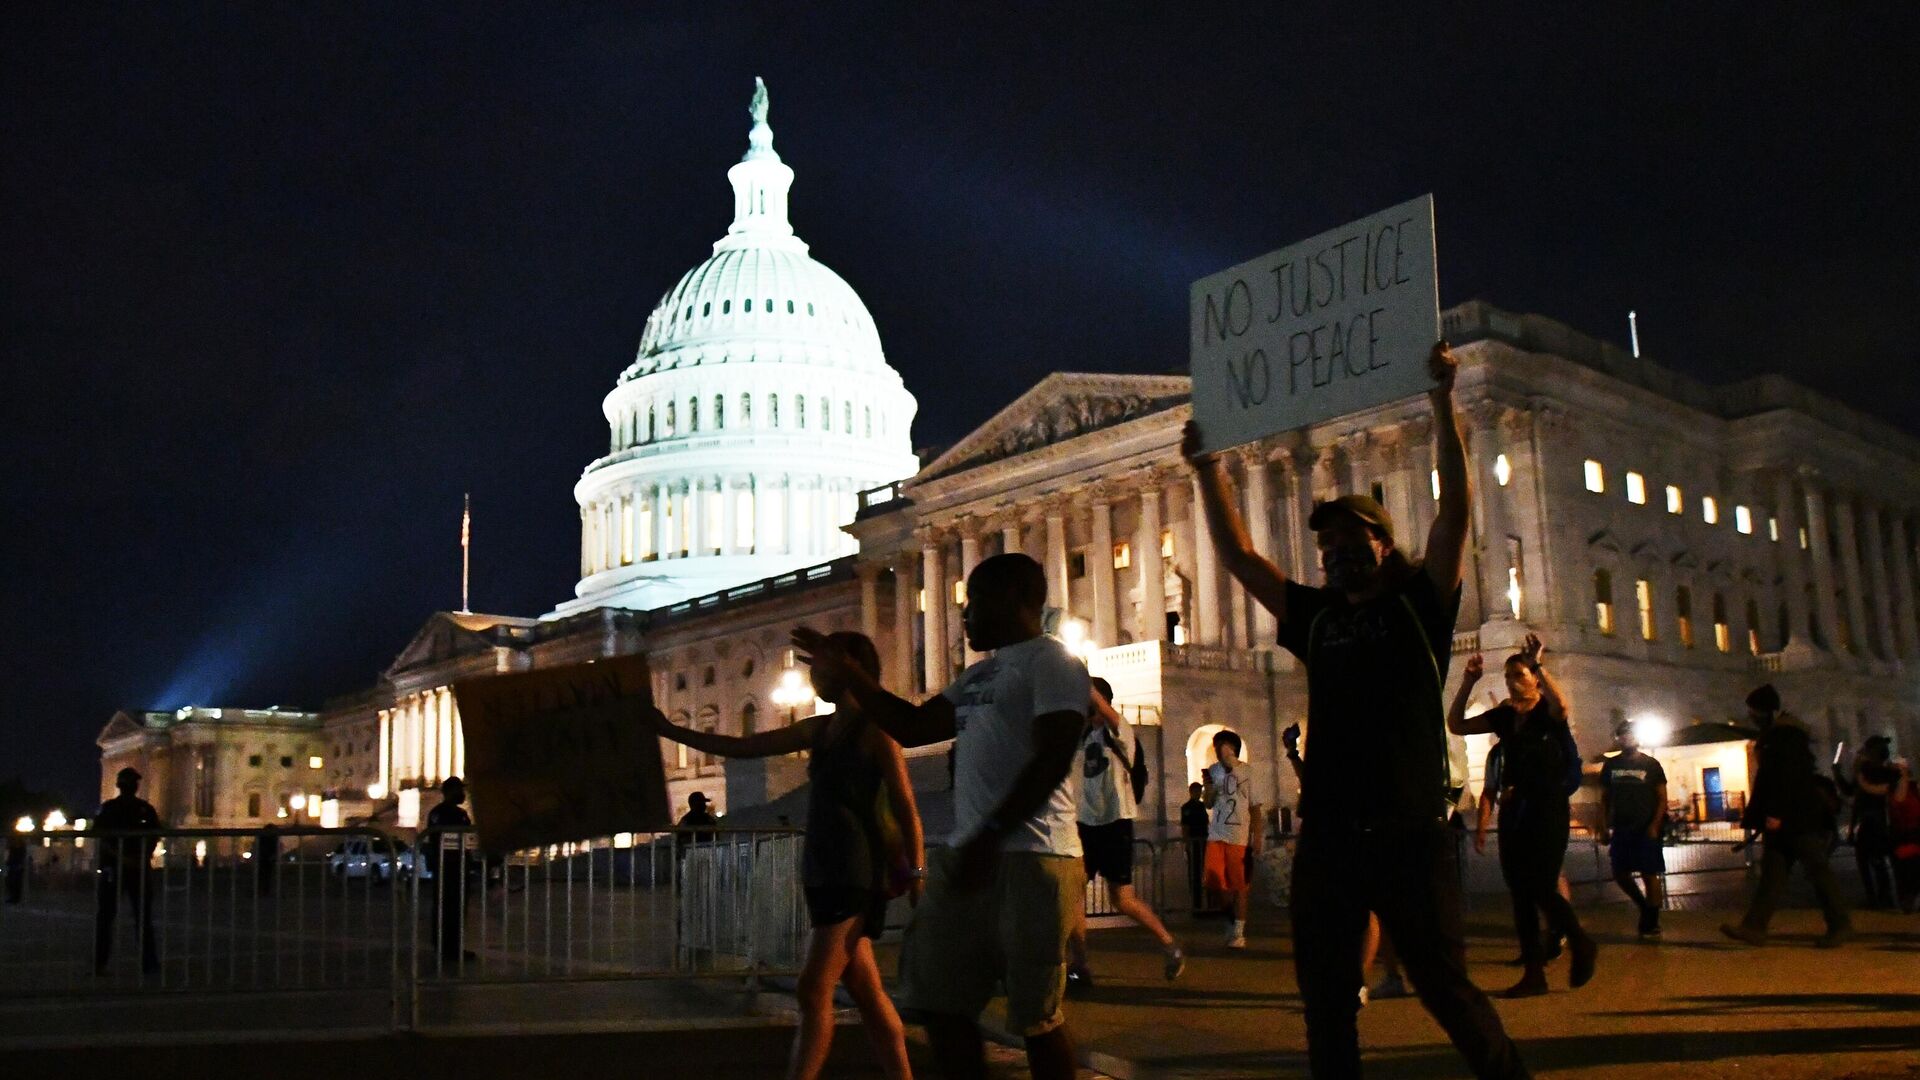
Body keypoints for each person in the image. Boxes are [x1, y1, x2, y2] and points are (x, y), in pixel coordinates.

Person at [1187, 339, 1529, 1078]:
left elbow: (1456, 515)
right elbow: (1243, 557)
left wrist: (1440, 401)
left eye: (1350, 539)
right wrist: (1206, 468)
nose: (1335, 553)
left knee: (1445, 988)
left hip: (1411, 828)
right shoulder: (1315, 618)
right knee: (1327, 999)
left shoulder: (1420, 605)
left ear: (1383, 542)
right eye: (1327, 545)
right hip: (1333, 834)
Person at [794, 552, 1087, 1080]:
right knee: (938, 1000)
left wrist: (993, 832)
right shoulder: (978, 676)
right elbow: (911, 726)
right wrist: (853, 676)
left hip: (1035, 857)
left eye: (975, 601)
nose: (965, 614)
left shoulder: (1055, 662)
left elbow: (1056, 752)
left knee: (1035, 1017)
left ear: (1017, 599)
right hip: (971, 854)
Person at [639, 631, 922, 1080]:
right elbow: (743, 747)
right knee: (866, 993)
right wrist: (670, 730)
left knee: (812, 990)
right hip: (823, 868)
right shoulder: (822, 728)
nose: (812, 675)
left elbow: (906, 803)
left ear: (847, 668)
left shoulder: (875, 730)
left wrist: (917, 871)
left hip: (854, 871)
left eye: (819, 665)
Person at [1450, 636, 1597, 998]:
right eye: (1508, 673)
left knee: (1542, 885)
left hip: (1547, 808)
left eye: (1519, 673)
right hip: (1514, 811)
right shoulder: (1504, 716)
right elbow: (1457, 725)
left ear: (1532, 678)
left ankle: (1579, 940)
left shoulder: (1547, 712)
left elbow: (1562, 704)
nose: (1513, 678)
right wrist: (1468, 681)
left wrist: (1539, 665)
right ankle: (1534, 974)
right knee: (1519, 893)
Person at [1068, 677, 1185, 989]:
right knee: (1074, 895)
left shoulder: (1120, 732)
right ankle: (1080, 965)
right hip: (1084, 825)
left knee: (1122, 899)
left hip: (1115, 822)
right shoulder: (1079, 740)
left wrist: (1080, 678)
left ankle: (1169, 943)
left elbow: (1106, 711)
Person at [1284, 723, 1407, 1006]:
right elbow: (1315, 785)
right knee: (1367, 914)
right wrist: (1293, 755)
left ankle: (1358, 982)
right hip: (1345, 835)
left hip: (1367, 833)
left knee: (1370, 914)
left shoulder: (1364, 751)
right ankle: (1386, 976)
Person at [1722, 685, 1852, 947]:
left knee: (1817, 870)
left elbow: (1784, 778)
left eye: (1754, 711)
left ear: (1765, 711)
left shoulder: (1783, 737)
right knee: (1774, 872)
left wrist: (1776, 813)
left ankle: (1840, 924)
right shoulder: (1783, 735)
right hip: (1793, 816)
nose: (1752, 716)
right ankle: (1754, 926)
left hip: (1795, 819)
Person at [1599, 720, 1668, 939]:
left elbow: (1662, 797)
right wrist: (1603, 825)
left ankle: (1652, 920)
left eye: (1631, 734)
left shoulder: (1651, 765)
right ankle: (1643, 906)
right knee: (1619, 873)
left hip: (1646, 828)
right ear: (1618, 738)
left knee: (1650, 874)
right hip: (1622, 828)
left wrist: (1655, 825)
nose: (1627, 738)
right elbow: (1605, 798)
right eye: (1623, 735)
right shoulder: (1611, 766)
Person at [94, 766, 161, 975]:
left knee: (106, 917)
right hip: (136, 868)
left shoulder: (108, 808)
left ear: (118, 786)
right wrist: (139, 858)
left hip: (113, 867)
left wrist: (120, 857)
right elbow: (154, 837)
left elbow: (100, 837)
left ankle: (100, 963)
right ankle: (148, 963)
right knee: (142, 917)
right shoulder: (145, 809)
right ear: (135, 786)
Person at [1201, 729, 1263, 949]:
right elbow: (1208, 803)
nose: (1219, 751)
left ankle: (1238, 930)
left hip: (1239, 837)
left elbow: (1255, 808)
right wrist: (1209, 789)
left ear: (1233, 748)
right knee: (1218, 884)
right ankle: (1229, 921)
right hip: (1216, 835)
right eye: (1217, 747)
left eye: (1223, 746)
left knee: (1240, 886)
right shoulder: (1212, 771)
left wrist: (1257, 837)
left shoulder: (1248, 772)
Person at [423, 775, 474, 966]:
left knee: (455, 909)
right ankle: (447, 947)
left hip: (454, 866)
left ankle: (451, 946)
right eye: (459, 790)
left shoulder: (445, 813)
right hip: (450, 867)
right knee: (449, 908)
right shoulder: (448, 814)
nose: (463, 794)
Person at [1845, 736, 1898, 909]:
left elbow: (1857, 794)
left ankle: (1882, 897)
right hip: (1871, 822)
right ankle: (1878, 897)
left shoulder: (1885, 772)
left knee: (1876, 861)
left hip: (1878, 822)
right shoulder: (1876, 771)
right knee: (1870, 861)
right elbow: (1853, 794)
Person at [1886, 758, 1920, 910]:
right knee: (1907, 874)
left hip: (1911, 837)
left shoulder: (1912, 789)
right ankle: (1908, 901)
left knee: (1909, 874)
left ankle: (1909, 901)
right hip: (1905, 838)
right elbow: (1900, 801)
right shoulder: (1895, 791)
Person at [1179, 782, 1210, 914]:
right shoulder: (1187, 807)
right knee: (1195, 873)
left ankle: (1208, 903)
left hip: (1203, 842)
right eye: (1197, 791)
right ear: (1192, 792)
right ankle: (1196, 904)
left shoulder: (1202, 805)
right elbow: (1185, 827)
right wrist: (1187, 844)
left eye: (1200, 791)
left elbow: (1206, 823)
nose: (1199, 793)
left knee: (1205, 872)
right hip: (1194, 843)